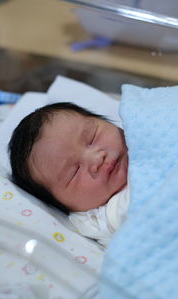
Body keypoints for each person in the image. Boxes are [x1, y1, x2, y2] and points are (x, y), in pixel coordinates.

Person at [8, 102, 129, 246]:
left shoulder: (146, 130)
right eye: (75, 171)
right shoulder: (101, 220)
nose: (97, 158)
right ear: (68, 207)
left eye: (92, 138)